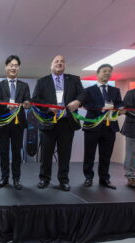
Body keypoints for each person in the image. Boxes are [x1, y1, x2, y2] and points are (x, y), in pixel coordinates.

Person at [32, 55, 86, 191]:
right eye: (56, 61)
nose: (59, 63)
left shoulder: (74, 79)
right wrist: (49, 106)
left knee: (65, 153)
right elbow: (35, 99)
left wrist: (78, 101)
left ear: (65, 65)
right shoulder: (42, 81)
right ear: (51, 65)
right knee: (46, 154)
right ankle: (44, 179)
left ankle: (63, 180)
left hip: (67, 123)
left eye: (62, 61)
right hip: (48, 121)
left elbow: (83, 94)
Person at [0, 55, 31, 190]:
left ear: (18, 68)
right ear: (6, 67)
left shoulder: (24, 85)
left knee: (16, 152)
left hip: (18, 123)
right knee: (3, 152)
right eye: (11, 65)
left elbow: (27, 100)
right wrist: (7, 106)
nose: (13, 67)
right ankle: (4, 178)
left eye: (16, 65)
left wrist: (27, 104)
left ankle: (16, 178)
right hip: (3, 122)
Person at [83, 64, 123, 190]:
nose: (107, 73)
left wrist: (121, 109)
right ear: (98, 73)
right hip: (92, 126)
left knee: (106, 155)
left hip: (110, 127)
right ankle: (88, 177)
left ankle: (104, 178)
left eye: (109, 71)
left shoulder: (115, 91)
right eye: (104, 71)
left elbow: (119, 104)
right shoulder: (89, 90)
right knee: (89, 154)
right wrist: (101, 109)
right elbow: (87, 105)